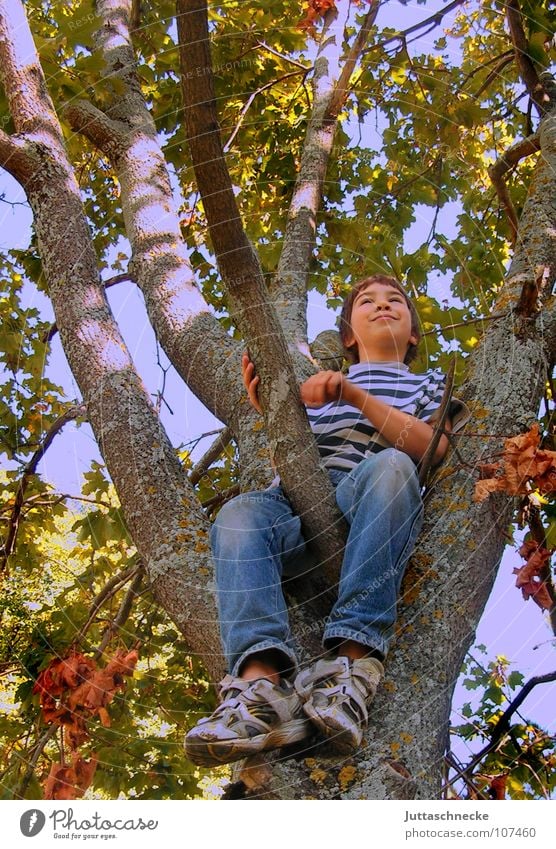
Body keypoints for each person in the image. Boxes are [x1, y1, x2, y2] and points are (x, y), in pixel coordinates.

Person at [184, 274, 469, 767]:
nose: (383, 305)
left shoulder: (428, 384)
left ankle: (352, 669)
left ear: (415, 333)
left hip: (368, 508)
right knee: (238, 514)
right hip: (296, 512)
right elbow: (292, 454)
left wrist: (355, 397)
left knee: (394, 467)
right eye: (367, 302)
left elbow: (433, 449)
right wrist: (272, 411)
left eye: (395, 301)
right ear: (348, 336)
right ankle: (259, 690)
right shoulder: (316, 388)